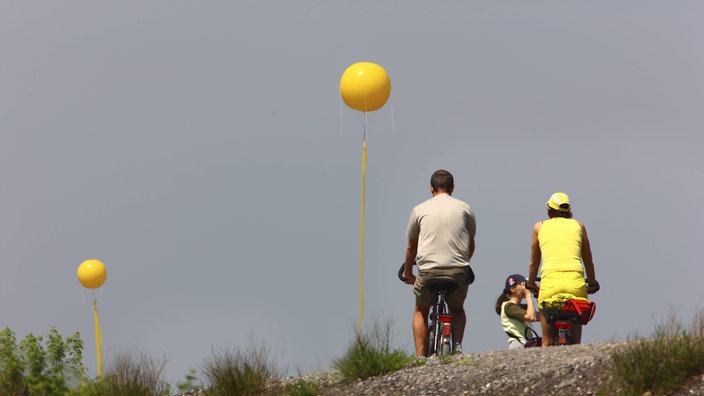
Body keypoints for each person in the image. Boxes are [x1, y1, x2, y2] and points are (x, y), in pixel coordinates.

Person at [402, 169, 476, 356]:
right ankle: (457, 346)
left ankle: (420, 357)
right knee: (457, 309)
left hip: (428, 271)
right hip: (458, 269)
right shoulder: (464, 208)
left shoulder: (419, 209)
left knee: (421, 310)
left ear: (431, 188)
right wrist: (462, 263)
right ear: (452, 188)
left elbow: (412, 247)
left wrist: (408, 273)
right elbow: (471, 243)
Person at [526, 192, 600, 346]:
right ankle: (575, 348)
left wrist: (531, 283)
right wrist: (592, 282)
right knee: (577, 321)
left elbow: (534, 261)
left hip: (550, 285)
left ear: (549, 209)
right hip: (575, 284)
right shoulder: (578, 226)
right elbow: (588, 260)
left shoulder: (539, 227)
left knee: (546, 340)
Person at [495, 274, 539, 349]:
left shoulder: (520, 307)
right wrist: (528, 295)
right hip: (518, 345)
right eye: (523, 284)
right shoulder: (508, 307)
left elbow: (542, 317)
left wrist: (538, 294)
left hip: (526, 343)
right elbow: (531, 317)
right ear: (512, 288)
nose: (526, 287)